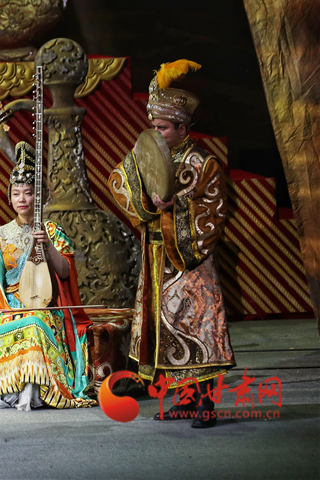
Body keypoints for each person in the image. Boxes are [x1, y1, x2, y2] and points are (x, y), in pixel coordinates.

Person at [109, 59, 235, 428]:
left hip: (189, 260)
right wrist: (149, 205)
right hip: (155, 256)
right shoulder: (147, 154)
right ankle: (184, 398)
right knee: (165, 330)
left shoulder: (203, 163)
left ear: (182, 128)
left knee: (197, 328)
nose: (157, 132)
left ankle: (206, 404)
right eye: (154, 126)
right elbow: (119, 180)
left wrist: (174, 208)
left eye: (163, 127)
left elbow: (214, 211)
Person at [0, 142, 96, 411]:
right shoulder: (2, 234)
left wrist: (48, 246)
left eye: (29, 193)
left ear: (39, 197)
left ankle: (33, 390)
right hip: (8, 305)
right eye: (16, 193)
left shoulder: (52, 230)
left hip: (42, 304)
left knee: (35, 323)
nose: (22, 199)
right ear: (10, 197)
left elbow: (66, 272)